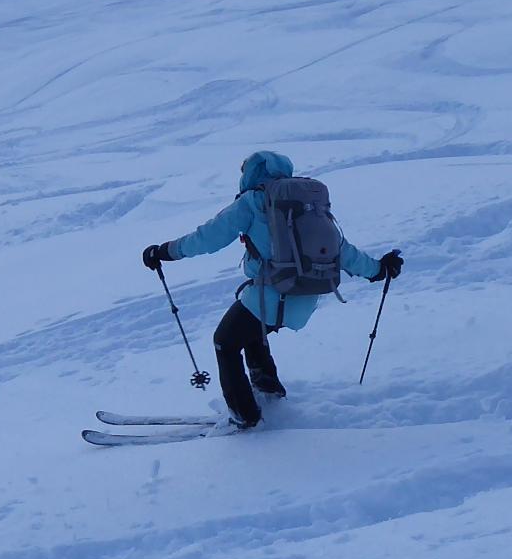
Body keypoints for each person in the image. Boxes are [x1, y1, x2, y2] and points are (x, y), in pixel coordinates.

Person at [141, 150, 404, 429]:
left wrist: (165, 252)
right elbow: (342, 248)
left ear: (252, 172)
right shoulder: (306, 204)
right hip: (304, 294)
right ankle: (269, 392)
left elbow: (208, 237)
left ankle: (245, 416)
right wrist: (378, 270)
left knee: (225, 342)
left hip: (272, 295)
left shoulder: (253, 202)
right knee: (252, 331)